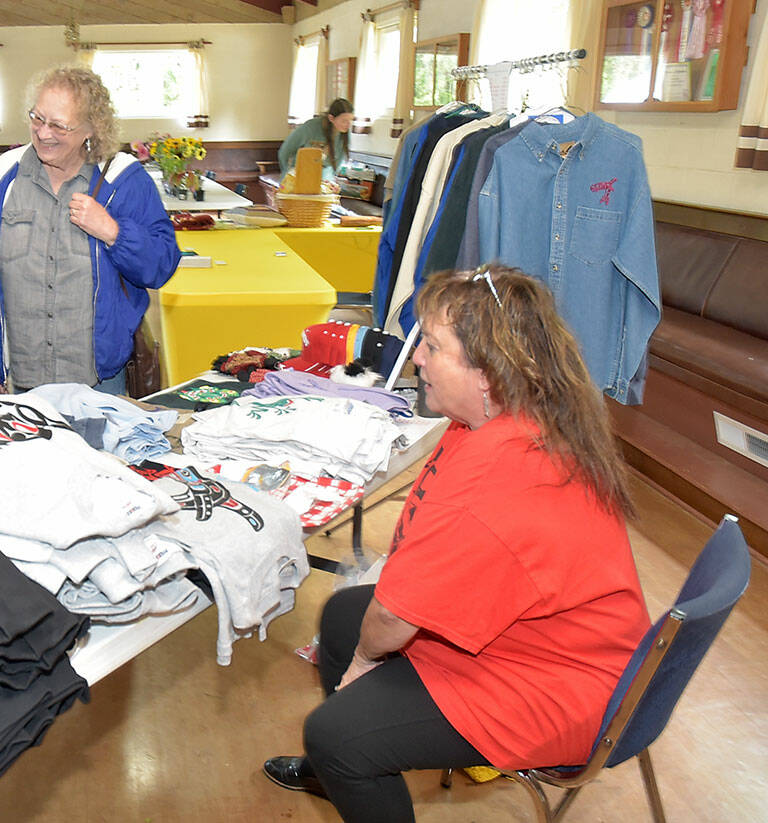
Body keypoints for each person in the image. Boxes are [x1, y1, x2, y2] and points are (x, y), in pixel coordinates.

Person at [263, 266, 650, 821]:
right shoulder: (501, 422)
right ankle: (346, 773)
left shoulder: (498, 477)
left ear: (488, 374)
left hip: (562, 688)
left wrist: (361, 668)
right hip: (546, 642)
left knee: (336, 731)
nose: (416, 356)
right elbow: (415, 556)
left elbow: (395, 618)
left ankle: (347, 762)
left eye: (434, 346)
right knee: (346, 615)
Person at [0, 65, 180, 395]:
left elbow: (161, 266)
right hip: (21, 382)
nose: (44, 133)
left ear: (90, 129)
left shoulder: (122, 181)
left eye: (60, 126)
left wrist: (114, 232)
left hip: (100, 384)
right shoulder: (1, 181)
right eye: (38, 118)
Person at [277, 98, 354, 181]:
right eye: (344, 121)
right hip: (299, 173)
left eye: (351, 120)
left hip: (324, 176)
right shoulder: (311, 128)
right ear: (331, 118)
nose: (348, 125)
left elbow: (338, 164)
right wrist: (287, 172)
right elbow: (285, 152)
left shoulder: (344, 134)